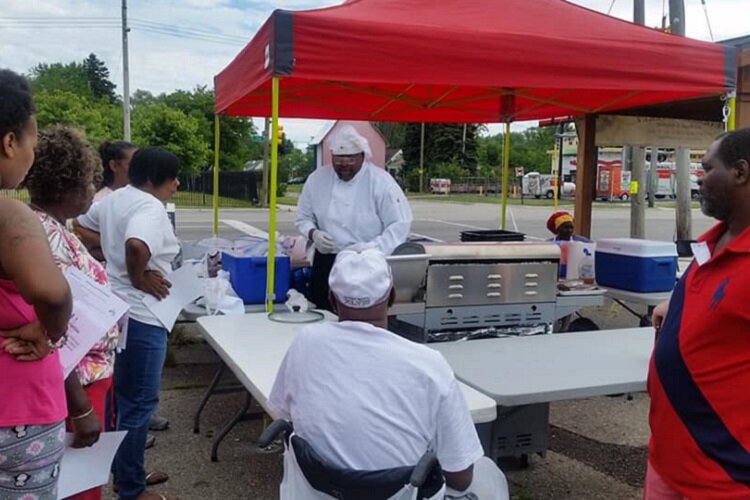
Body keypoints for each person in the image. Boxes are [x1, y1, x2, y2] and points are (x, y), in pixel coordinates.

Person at [269, 247, 509, 498]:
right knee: (486, 472)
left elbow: (282, 412)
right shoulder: (428, 364)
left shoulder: (305, 343)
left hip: (319, 491)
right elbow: (460, 478)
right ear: (392, 296)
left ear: (331, 299)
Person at [647, 128, 750, 499]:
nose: (698, 177)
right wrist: (674, 306)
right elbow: (718, 293)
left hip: (724, 479)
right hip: (668, 459)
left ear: (740, 172)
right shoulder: (713, 242)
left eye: (707, 168)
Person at [23, 125, 123, 500]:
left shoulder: (47, 228)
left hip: (82, 377)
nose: (90, 191)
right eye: (87, 181)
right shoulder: (45, 238)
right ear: (68, 186)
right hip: (73, 385)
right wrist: (80, 408)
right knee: (78, 489)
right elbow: (53, 330)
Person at [77, 147, 180, 500]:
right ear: (153, 179)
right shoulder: (150, 206)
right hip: (142, 315)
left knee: (121, 402)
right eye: (173, 178)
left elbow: (81, 223)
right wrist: (136, 275)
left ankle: (127, 473)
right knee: (138, 404)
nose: (177, 185)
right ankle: (131, 490)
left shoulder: (117, 198)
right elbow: (137, 244)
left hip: (116, 309)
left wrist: (111, 256)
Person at [0, 68, 73, 500]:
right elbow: (51, 292)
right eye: (33, 140)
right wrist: (51, 328)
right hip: (17, 411)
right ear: (10, 142)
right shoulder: (10, 216)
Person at [295, 125, 412, 311]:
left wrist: (372, 248)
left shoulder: (381, 182)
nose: (344, 165)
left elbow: (400, 224)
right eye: (339, 160)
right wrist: (313, 233)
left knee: (365, 316)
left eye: (351, 159)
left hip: (368, 264)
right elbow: (302, 217)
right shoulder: (317, 179)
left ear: (363, 157)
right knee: (324, 311)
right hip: (327, 260)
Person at [75, 140, 137, 262]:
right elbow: (76, 226)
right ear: (114, 166)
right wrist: (113, 247)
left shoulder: (135, 197)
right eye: (132, 165)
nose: (138, 170)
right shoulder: (101, 200)